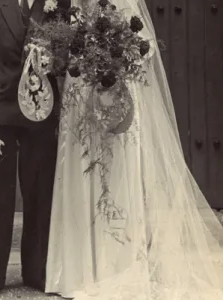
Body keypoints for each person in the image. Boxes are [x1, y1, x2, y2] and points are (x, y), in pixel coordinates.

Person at [45, 0, 223, 299]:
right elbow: (68, 41)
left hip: (114, 90)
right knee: (81, 171)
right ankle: (76, 269)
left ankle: (117, 265)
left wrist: (112, 65)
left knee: (115, 176)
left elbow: (146, 48)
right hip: (80, 94)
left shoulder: (124, 1)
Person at [0, 0, 70, 299]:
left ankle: (37, 272)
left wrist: (55, 60)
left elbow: (67, 53)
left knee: (40, 193)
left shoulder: (58, 2)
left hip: (41, 112)